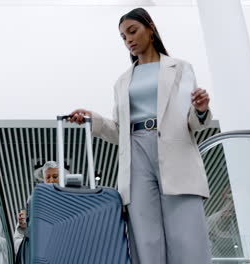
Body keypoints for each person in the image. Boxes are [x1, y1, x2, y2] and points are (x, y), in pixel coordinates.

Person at [68, 8, 213, 264]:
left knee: (186, 234)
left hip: (175, 151)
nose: (129, 40)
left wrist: (200, 110)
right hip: (135, 154)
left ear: (151, 28)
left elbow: (190, 123)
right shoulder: (122, 82)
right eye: (123, 37)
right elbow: (118, 131)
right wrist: (94, 120)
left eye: (132, 31)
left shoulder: (180, 68)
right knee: (145, 236)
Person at [13, 161, 61, 254]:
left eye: (55, 177)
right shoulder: (33, 201)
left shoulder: (69, 200)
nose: (51, 180)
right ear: (44, 179)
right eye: (48, 177)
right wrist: (24, 226)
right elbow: (18, 239)